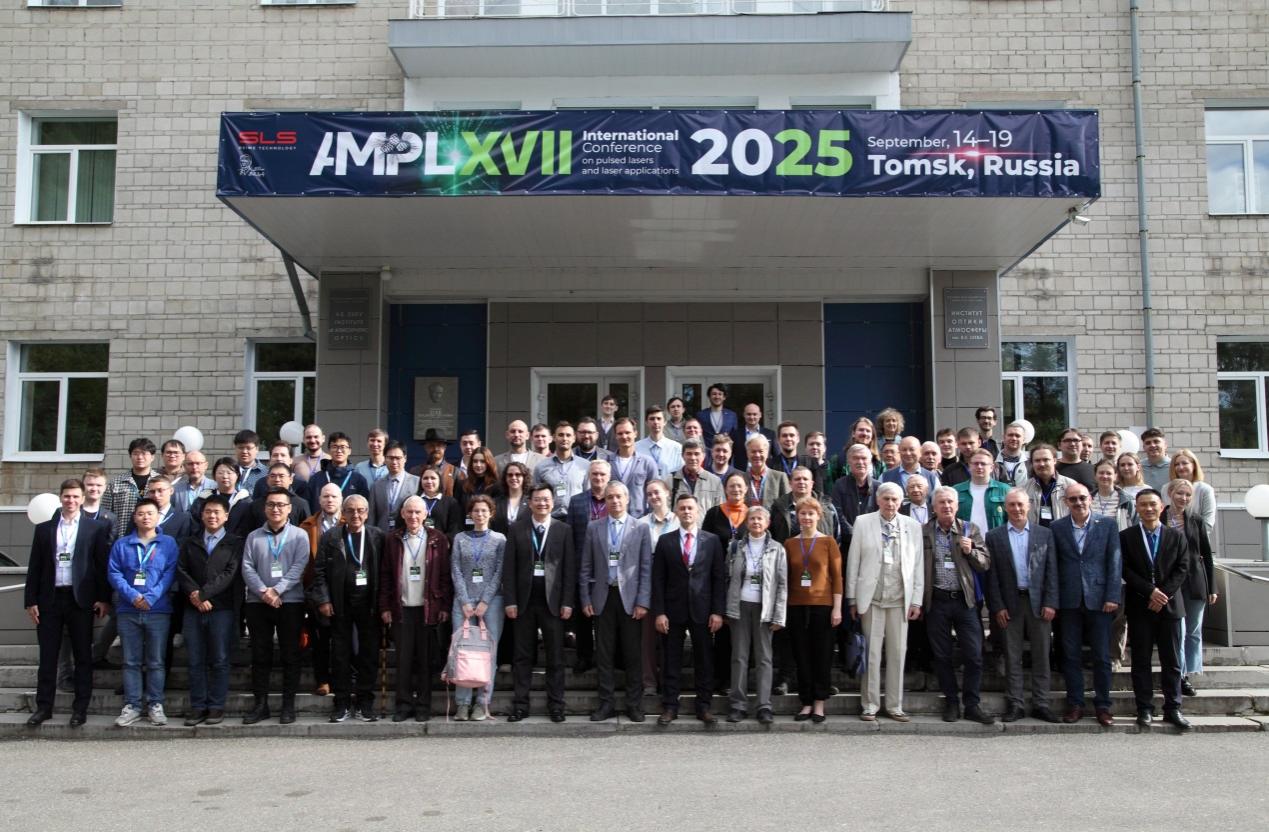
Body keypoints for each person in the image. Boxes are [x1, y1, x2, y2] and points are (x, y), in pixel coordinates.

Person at [24, 479, 111, 728]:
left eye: (75, 497)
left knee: (82, 656)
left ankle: (80, 708)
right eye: (66, 496)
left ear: (82, 499)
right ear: (60, 498)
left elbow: (101, 566)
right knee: (48, 656)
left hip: (80, 600)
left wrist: (103, 598)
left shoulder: (95, 528)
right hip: (50, 599)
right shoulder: (44, 529)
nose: (70, 501)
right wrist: (30, 600)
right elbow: (35, 566)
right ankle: (44, 707)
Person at [847, 482, 923, 721]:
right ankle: (870, 704)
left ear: (901, 502)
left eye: (895, 499)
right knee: (871, 654)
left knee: (898, 653)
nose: (890, 503)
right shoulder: (863, 522)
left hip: (900, 600)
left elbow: (918, 566)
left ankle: (894, 705)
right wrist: (852, 598)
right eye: (886, 499)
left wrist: (916, 601)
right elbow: (854, 562)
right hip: (871, 599)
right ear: (878, 500)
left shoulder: (912, 526)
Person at [579, 481, 652, 722]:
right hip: (602, 597)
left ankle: (634, 705)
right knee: (604, 655)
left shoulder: (640, 528)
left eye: (619, 496)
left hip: (630, 599)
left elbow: (645, 568)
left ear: (627, 499)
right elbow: (586, 566)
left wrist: (643, 601)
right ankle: (606, 704)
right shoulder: (593, 527)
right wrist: (585, 597)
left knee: (633, 654)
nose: (615, 501)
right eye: (610, 497)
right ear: (605, 500)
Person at [984, 488, 1059, 723]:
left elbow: (1052, 571)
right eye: (1012, 505)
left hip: (1039, 604)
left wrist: (1050, 602)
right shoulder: (994, 536)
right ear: (1005, 508)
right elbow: (992, 576)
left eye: (1020, 504)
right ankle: (1015, 704)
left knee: (1041, 655)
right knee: (1012, 655)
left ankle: (1041, 703)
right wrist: (997, 607)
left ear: (1029, 506)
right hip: (1010, 603)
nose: (1016, 509)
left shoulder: (1044, 534)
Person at [503, 483, 575, 723]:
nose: (542, 503)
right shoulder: (517, 529)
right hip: (523, 602)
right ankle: (520, 705)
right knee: (522, 656)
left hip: (552, 603)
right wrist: (510, 600)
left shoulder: (563, 530)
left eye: (546, 499)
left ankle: (556, 705)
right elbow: (509, 568)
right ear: (530, 502)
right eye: (537, 499)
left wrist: (567, 602)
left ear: (552, 503)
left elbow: (569, 569)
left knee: (555, 657)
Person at [652, 493, 726, 726]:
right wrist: (659, 612)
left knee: (704, 660)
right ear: (676, 512)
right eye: (682, 508)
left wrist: (717, 611)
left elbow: (718, 578)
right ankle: (670, 706)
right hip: (672, 610)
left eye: (690, 508)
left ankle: (704, 706)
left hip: (703, 610)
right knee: (671, 660)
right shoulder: (665, 541)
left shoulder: (712, 541)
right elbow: (658, 579)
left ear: (697, 511)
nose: (686, 512)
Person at [922, 486, 993, 724]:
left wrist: (970, 551)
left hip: (965, 601)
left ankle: (972, 704)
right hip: (937, 600)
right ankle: (951, 701)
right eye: (941, 502)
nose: (946, 506)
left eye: (950, 502)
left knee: (974, 655)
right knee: (942, 656)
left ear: (957, 505)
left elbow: (985, 563)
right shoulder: (924, 532)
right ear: (934, 507)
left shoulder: (970, 529)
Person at [1121, 488, 1191, 731]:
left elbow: (1182, 568)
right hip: (1140, 606)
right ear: (1137, 508)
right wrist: (1150, 591)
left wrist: (1163, 595)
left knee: (1172, 660)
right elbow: (1125, 569)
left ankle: (1173, 708)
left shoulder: (1176, 536)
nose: (1148, 509)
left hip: (1170, 607)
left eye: (1153, 504)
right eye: (1143, 505)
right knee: (1141, 660)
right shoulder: (1126, 537)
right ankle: (1144, 708)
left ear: (1161, 507)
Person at [1052, 483, 1121, 726]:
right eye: (1073, 499)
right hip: (1068, 600)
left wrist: (1112, 595)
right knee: (1070, 656)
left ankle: (1103, 706)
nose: (1078, 503)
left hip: (1100, 600)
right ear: (1065, 502)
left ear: (1090, 499)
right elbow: (1053, 566)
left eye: (1082, 498)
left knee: (1101, 656)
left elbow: (1114, 561)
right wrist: (1053, 600)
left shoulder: (1108, 525)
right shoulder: (1057, 528)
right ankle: (1076, 704)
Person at [107, 498, 179, 727]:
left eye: (150, 513)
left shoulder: (168, 543)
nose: (145, 517)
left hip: (158, 610)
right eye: (141, 513)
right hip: (128, 610)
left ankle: (155, 704)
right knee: (131, 661)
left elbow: (169, 573)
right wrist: (133, 596)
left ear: (158, 517)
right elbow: (114, 573)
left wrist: (150, 597)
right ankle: (133, 705)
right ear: (134, 517)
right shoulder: (122, 544)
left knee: (156, 661)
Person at [379, 496, 452, 722]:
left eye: (417, 512)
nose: (413, 516)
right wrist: (385, 606)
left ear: (425, 514)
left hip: (427, 608)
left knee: (424, 660)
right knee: (403, 660)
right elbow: (385, 575)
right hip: (401, 608)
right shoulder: (392, 539)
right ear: (402, 514)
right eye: (409, 512)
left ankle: (423, 706)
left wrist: (444, 605)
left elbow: (445, 575)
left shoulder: (437, 539)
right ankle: (403, 705)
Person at [312, 495, 383, 723]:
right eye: (350, 510)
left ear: (367, 513)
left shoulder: (377, 536)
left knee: (368, 655)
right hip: (340, 604)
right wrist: (323, 600)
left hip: (369, 605)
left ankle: (365, 703)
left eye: (360, 510)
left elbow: (386, 572)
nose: (356, 515)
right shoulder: (332, 537)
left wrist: (383, 605)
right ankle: (341, 702)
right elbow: (319, 571)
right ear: (343, 513)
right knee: (340, 655)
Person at [241, 487, 310, 724]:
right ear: (264, 508)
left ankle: (288, 706)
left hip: (290, 602)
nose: (276, 509)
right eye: (271, 504)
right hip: (258, 603)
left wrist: (277, 590)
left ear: (290, 509)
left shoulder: (300, 535)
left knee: (290, 654)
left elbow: (299, 567)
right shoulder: (253, 537)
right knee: (260, 655)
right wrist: (264, 592)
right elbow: (247, 567)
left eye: (281, 505)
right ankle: (261, 705)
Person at [175, 494, 243, 726]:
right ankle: (198, 706)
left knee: (220, 659)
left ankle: (216, 706)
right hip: (193, 609)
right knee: (195, 660)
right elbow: (181, 570)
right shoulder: (190, 541)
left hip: (221, 609)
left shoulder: (235, 543)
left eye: (217, 512)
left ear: (226, 516)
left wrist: (203, 594)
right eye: (208, 512)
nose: (212, 516)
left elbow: (230, 574)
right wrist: (195, 595)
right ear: (201, 515)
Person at [782, 497, 844, 723]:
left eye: (811, 513)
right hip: (796, 606)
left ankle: (819, 702)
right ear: (797, 517)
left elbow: (837, 577)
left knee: (822, 655)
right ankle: (806, 702)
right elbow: (785, 578)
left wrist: (837, 608)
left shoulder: (828, 542)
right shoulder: (789, 544)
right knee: (801, 655)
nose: (806, 517)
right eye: (802, 513)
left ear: (819, 516)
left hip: (823, 606)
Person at [723, 505, 786, 724]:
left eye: (760, 519)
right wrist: (727, 608)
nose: (756, 522)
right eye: (752, 519)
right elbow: (727, 577)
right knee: (739, 657)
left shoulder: (777, 549)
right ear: (747, 523)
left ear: (767, 523)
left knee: (764, 659)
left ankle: (764, 705)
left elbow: (782, 584)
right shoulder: (735, 547)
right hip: (740, 606)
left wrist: (779, 615)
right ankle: (738, 705)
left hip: (764, 609)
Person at [449, 494, 506, 721]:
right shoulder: (460, 538)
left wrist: (485, 601)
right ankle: (462, 704)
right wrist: (464, 600)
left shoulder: (500, 539)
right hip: (462, 602)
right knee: (462, 651)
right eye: (476, 510)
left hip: (491, 603)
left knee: (488, 653)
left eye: (484, 510)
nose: (480, 514)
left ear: (491, 514)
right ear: (470, 514)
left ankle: (482, 702)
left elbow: (500, 572)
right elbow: (455, 569)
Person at [1163, 479, 1217, 698]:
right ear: (1170, 493)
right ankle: (1177, 672)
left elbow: (1206, 554)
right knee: (1178, 630)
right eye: (1180, 493)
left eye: (1188, 495)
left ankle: (1186, 674)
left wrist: (1212, 587)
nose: (1183, 498)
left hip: (1195, 581)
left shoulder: (1195, 520)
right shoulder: (1160, 516)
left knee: (1193, 631)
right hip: (1170, 582)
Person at [300, 482, 342, 697]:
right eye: (326, 496)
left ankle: (342, 679)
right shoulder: (307, 526)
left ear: (341, 499)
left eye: (334, 496)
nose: (329, 500)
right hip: (316, 589)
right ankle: (323, 680)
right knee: (320, 640)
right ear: (319, 500)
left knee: (343, 640)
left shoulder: (350, 523)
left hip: (344, 591)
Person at [102, 437, 159, 538]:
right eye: (136, 453)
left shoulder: (160, 482)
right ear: (130, 456)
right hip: (122, 538)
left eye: (144, 453)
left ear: (152, 457)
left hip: (153, 539)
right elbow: (106, 514)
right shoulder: (116, 483)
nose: (140, 457)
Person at [770, 466, 842, 545]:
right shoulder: (779, 508)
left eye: (805, 479)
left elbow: (837, 537)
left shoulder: (827, 507)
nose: (801, 482)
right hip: (788, 552)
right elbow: (773, 537)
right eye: (797, 479)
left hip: (820, 551)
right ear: (790, 483)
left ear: (812, 484)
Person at [533, 421, 589, 518]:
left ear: (574, 438)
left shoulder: (585, 465)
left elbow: (588, 495)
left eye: (568, 435)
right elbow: (535, 496)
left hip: (577, 518)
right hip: (551, 519)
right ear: (554, 437)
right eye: (561, 435)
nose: (564, 438)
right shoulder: (541, 467)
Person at [610, 417, 660, 518]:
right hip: (612, 518)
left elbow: (655, 493)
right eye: (620, 433)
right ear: (615, 436)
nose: (624, 436)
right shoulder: (607, 463)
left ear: (635, 433)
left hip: (639, 519)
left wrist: (651, 518)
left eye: (627, 432)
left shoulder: (647, 463)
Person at [953, 448, 1009, 537]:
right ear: (969, 466)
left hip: (995, 543)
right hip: (966, 542)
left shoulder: (1005, 490)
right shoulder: (956, 491)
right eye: (975, 463)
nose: (979, 467)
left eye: (983, 464)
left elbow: (1011, 520)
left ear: (992, 467)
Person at [830, 443, 879, 542]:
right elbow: (838, 513)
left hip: (872, 540)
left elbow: (880, 514)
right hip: (846, 541)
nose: (860, 462)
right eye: (856, 458)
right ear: (849, 461)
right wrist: (853, 534)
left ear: (870, 461)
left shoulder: (878, 487)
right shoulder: (839, 485)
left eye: (864, 458)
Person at [307, 432, 371, 506]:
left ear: (349, 451)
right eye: (335, 447)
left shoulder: (358, 480)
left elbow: (364, 508)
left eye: (343, 447)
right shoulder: (316, 479)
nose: (339, 450)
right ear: (329, 450)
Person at [247, 463, 312, 532]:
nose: (277, 479)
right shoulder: (256, 504)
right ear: (267, 479)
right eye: (273, 476)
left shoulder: (301, 504)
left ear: (290, 479)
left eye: (281, 476)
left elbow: (308, 530)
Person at [369, 440, 418, 533]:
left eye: (398, 458)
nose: (394, 462)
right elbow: (371, 516)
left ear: (405, 458)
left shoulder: (416, 483)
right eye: (390, 458)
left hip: (406, 534)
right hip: (382, 535)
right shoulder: (376, 486)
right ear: (384, 459)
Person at [1023, 444, 1074, 528]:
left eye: (1046, 460)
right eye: (1037, 460)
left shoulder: (1070, 486)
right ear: (1032, 463)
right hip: (1035, 534)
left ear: (1054, 460)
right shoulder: (1024, 489)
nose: (1042, 464)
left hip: (1061, 534)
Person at [1169, 449, 1216, 536]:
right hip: (1170, 541)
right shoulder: (1166, 489)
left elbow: (1208, 523)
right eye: (1176, 464)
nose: (1180, 467)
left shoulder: (1205, 490)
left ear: (1194, 465)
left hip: (1196, 541)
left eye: (1184, 463)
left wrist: (1187, 540)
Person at [671, 438, 723, 511]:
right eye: (689, 454)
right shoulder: (671, 480)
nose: (693, 458)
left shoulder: (715, 482)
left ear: (704, 456)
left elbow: (720, 512)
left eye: (696, 454)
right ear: (682, 455)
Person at [635, 405, 684, 481]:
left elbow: (681, 473)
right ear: (646, 422)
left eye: (659, 418)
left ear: (665, 422)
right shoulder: (636, 447)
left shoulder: (676, 448)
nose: (655, 422)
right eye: (652, 419)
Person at [416, 467, 465, 543]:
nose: (429, 481)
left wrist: (444, 542)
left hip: (441, 545)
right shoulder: (413, 501)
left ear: (440, 481)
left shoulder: (450, 502)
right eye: (425, 478)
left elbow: (455, 528)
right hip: (416, 544)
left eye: (433, 478)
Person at [742, 435, 790, 509]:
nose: (757, 455)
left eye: (761, 451)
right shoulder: (741, 479)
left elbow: (787, 507)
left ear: (767, 452)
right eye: (753, 451)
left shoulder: (780, 478)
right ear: (747, 453)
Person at [411, 428, 459, 497]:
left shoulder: (455, 472)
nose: (435, 448)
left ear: (445, 447)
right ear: (426, 447)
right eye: (431, 445)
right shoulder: (415, 472)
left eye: (439, 445)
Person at [456, 446, 499, 517]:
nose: (478, 465)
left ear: (489, 463)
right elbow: (457, 510)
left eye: (482, 461)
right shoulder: (462, 484)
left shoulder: (497, 486)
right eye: (475, 461)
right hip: (465, 523)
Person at [491, 461, 530, 536]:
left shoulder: (530, 502)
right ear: (505, 478)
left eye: (518, 474)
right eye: (510, 475)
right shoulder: (495, 502)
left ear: (524, 477)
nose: (513, 477)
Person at [697, 383, 738, 452]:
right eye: (714, 394)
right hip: (706, 452)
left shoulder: (732, 415)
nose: (717, 396)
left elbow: (735, 436)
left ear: (724, 397)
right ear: (709, 396)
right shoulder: (701, 415)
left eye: (720, 394)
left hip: (725, 452)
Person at [234, 430, 268, 495]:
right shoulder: (230, 470)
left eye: (248, 448)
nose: (244, 451)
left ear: (257, 449)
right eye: (241, 448)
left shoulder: (266, 474)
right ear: (235, 448)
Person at [996, 422, 1030, 487]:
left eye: (1017, 436)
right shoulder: (992, 462)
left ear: (1023, 439)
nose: (1014, 438)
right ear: (1003, 438)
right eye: (1010, 435)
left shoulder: (1030, 464)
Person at [1139, 428, 1172, 494]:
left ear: (1165, 445)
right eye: (1148, 443)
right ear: (1144, 447)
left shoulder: (1174, 466)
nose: (1152, 445)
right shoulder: (1138, 467)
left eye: (1156, 441)